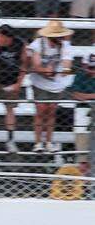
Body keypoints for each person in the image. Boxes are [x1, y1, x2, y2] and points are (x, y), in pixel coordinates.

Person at [27, 20, 75, 153]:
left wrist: (65, 69)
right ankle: (38, 143)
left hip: (57, 83)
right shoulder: (37, 45)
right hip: (40, 82)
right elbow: (36, 65)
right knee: (41, 110)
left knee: (52, 111)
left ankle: (48, 142)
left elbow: (67, 62)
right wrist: (46, 71)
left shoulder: (65, 45)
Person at [0, 24, 26, 153]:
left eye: (4, 38)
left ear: (10, 38)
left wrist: (19, 84)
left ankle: (10, 140)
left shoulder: (20, 44)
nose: (0, 40)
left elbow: (24, 64)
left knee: (10, 109)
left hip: (12, 79)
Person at [70, 53, 95, 168]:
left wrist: (86, 96)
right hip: (83, 110)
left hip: (87, 106)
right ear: (84, 66)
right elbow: (76, 95)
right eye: (91, 68)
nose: (93, 71)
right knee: (80, 123)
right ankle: (83, 164)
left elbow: (82, 96)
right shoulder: (80, 76)